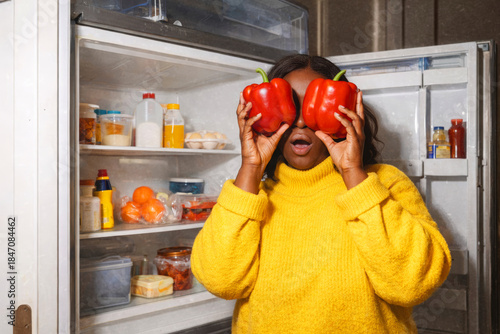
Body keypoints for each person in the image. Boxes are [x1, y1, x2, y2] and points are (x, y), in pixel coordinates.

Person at [191, 54, 451, 333]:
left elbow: (413, 285)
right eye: (290, 105)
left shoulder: (383, 184)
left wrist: (352, 172)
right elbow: (221, 281)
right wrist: (251, 168)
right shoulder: (250, 196)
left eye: (315, 106)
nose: (301, 122)